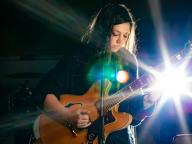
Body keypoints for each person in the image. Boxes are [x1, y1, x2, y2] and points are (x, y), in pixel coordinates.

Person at [32, 3, 157, 144]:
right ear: (104, 31)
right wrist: (67, 116)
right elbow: (43, 92)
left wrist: (149, 100)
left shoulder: (129, 62)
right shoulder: (78, 56)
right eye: (115, 34)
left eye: (126, 36)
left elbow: (130, 115)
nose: (120, 41)